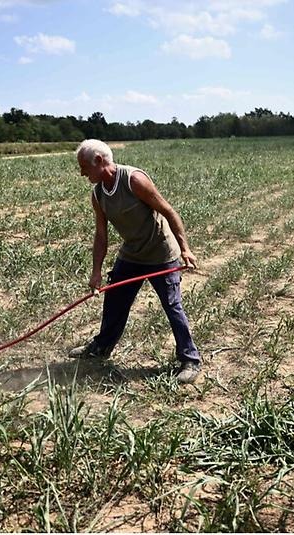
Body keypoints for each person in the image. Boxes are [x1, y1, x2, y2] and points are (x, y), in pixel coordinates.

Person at [69, 139, 202, 384]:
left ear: (98, 160)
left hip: (161, 253)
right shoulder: (98, 194)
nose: (82, 173)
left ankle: (190, 359)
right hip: (131, 254)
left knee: (172, 305)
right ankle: (101, 347)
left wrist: (185, 249)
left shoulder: (134, 180)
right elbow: (101, 235)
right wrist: (96, 272)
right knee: (114, 301)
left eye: (84, 167)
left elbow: (168, 211)